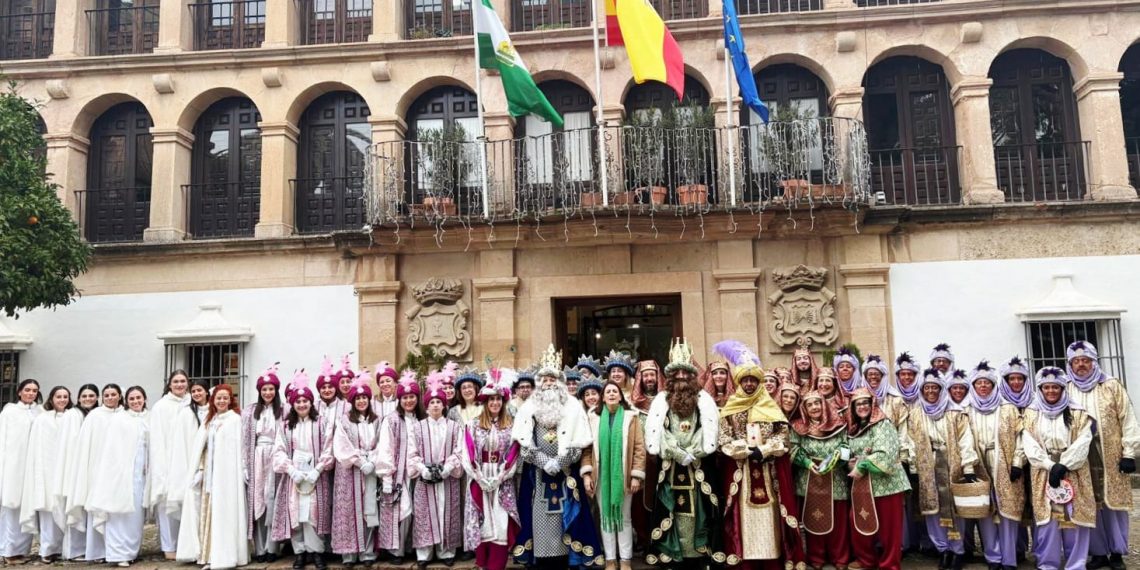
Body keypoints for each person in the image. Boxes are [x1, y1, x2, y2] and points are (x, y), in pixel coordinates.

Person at [713, 340, 802, 570]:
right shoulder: (731, 407)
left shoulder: (770, 405)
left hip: (768, 470)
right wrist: (744, 450)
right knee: (743, 518)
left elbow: (783, 436)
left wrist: (765, 450)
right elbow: (723, 439)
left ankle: (771, 560)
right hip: (742, 472)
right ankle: (747, 561)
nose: (750, 384)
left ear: (759, 382)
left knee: (769, 517)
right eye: (745, 380)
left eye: (753, 380)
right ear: (739, 382)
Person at [512, 345, 602, 569]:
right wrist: (544, 462)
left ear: (560, 382)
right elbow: (524, 444)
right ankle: (542, 558)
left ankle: (568, 558)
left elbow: (579, 443)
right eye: (545, 379)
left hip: (566, 472)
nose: (549, 383)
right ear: (539, 382)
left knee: (569, 514)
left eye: (553, 379)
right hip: (538, 474)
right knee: (538, 515)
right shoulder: (529, 407)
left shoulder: (573, 406)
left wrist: (559, 462)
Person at [643, 338, 726, 567]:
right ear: (670, 377)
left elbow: (706, 428)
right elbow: (661, 431)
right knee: (671, 507)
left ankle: (699, 553)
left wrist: (694, 451)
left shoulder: (703, 400)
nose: (681, 377)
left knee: (701, 508)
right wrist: (678, 452)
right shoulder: (661, 400)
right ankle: (672, 553)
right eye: (676, 373)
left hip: (698, 464)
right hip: (671, 464)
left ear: (692, 376)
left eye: (685, 373)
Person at [1063, 341, 1138, 570]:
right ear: (1070, 364)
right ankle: (1097, 553)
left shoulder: (1111, 385)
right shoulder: (1065, 387)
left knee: (1113, 504)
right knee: (1088, 502)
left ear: (1094, 362)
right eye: (1076, 361)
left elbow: (1127, 418)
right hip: (1080, 455)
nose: (1081, 365)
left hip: (1110, 452)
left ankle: (1117, 552)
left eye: (1086, 361)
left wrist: (1129, 453)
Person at [1022, 366, 1096, 570]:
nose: (1051, 391)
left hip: (1073, 469)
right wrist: (1049, 465)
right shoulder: (1031, 413)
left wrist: (1064, 464)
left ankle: (1076, 564)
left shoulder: (1078, 412)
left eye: (1055, 387)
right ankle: (1048, 563)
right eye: (1046, 387)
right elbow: (1029, 442)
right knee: (1047, 520)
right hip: (1043, 470)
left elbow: (1084, 440)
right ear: (1040, 389)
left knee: (1074, 518)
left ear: (1063, 389)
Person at [905, 368, 980, 570]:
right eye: (927, 387)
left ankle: (957, 550)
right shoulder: (916, 414)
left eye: (934, 387)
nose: (930, 391)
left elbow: (965, 440)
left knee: (954, 509)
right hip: (927, 467)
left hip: (951, 465)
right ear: (922, 390)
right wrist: (913, 465)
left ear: (941, 389)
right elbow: (910, 440)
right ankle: (943, 549)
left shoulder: (955, 412)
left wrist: (968, 467)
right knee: (932, 509)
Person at [72, 385, 150, 567]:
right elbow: (111, 449)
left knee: (135, 516)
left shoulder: (148, 418)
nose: (135, 401)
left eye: (138, 398)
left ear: (144, 399)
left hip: (140, 475)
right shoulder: (120, 419)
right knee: (118, 515)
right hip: (120, 475)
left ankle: (131, 551)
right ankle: (118, 553)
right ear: (126, 400)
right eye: (132, 399)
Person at [176, 384, 249, 570]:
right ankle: (208, 555)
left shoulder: (235, 420)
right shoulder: (209, 421)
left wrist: (243, 468)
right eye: (218, 398)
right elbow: (202, 448)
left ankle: (225, 555)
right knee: (209, 513)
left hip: (228, 477)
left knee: (226, 512)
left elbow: (241, 448)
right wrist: (200, 470)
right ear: (213, 400)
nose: (222, 401)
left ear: (230, 400)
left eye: (225, 398)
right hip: (210, 474)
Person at [273, 370, 335, 570]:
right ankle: (300, 552)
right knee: (297, 514)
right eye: (298, 402)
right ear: (293, 404)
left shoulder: (322, 423)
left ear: (311, 403)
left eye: (305, 401)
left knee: (313, 514)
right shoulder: (286, 426)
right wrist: (291, 470)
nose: (301, 405)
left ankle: (316, 552)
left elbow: (329, 448)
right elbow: (279, 450)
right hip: (295, 478)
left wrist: (318, 469)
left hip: (316, 476)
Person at [966, 360, 1024, 570]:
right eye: (979, 383)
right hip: (979, 464)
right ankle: (993, 557)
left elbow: (1020, 437)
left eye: (987, 383)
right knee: (985, 510)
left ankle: (1009, 558)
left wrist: (1018, 461)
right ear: (973, 386)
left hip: (1004, 464)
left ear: (993, 385)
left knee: (1007, 510)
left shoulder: (1008, 408)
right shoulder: (967, 410)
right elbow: (963, 439)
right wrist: (968, 466)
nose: (983, 386)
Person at [581, 381, 646, 570]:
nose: (611, 394)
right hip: (600, 476)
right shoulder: (593, 418)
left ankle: (625, 560)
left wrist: (636, 476)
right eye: (608, 391)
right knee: (605, 517)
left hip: (624, 476)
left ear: (620, 396)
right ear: (602, 397)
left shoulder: (630, 418)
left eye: (614, 391)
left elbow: (639, 449)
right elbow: (586, 449)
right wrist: (587, 475)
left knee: (624, 518)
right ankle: (610, 559)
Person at [845, 388, 910, 570]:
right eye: (858, 404)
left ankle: (889, 564)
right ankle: (866, 559)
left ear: (872, 404)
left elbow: (886, 453)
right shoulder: (854, 428)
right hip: (862, 485)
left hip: (887, 484)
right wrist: (848, 463)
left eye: (865, 403)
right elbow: (848, 451)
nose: (862, 407)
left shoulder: (883, 424)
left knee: (889, 528)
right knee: (858, 520)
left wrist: (861, 465)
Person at [460, 375, 520, 570]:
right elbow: (467, 452)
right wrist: (479, 477)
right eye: (491, 399)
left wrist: (501, 476)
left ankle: (496, 564)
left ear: (503, 402)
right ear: (485, 402)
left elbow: (514, 453)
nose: (495, 403)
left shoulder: (511, 426)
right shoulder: (473, 424)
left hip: (502, 479)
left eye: (498, 399)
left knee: (500, 522)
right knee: (482, 520)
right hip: (480, 476)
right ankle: (482, 563)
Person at [790, 390, 850, 570]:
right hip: (809, 476)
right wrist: (807, 462)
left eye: (817, 403)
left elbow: (846, 445)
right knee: (812, 516)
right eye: (810, 404)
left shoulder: (839, 424)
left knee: (838, 520)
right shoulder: (798, 427)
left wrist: (835, 459)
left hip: (835, 476)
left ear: (823, 404)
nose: (814, 407)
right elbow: (793, 448)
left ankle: (840, 557)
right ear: (804, 409)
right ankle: (816, 556)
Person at [409, 372, 463, 569]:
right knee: (424, 514)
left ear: (444, 405)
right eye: (431, 402)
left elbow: (459, 450)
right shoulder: (417, 427)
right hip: (425, 479)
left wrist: (449, 467)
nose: (435, 405)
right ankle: (424, 554)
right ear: (426, 406)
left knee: (447, 512)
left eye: (438, 402)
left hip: (447, 478)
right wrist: (421, 468)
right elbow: (412, 452)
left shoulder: (454, 427)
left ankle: (446, 551)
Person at [331, 372, 383, 566]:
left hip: (370, 470)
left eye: (364, 398)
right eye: (357, 398)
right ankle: (349, 554)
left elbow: (383, 443)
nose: (361, 401)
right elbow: (341, 445)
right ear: (352, 401)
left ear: (369, 400)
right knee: (348, 511)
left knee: (369, 510)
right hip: (350, 472)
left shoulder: (377, 420)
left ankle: (367, 553)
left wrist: (373, 460)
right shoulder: (344, 420)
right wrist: (360, 462)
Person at [376, 370, 426, 564]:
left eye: (412, 396)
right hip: (400, 473)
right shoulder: (392, 420)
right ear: (399, 399)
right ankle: (396, 551)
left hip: (420, 472)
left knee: (420, 510)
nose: (408, 400)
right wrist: (387, 476)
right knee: (403, 511)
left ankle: (415, 547)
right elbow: (385, 448)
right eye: (404, 397)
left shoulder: (422, 419)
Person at [148, 370, 194, 560]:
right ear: (169, 384)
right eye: (176, 381)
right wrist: (161, 464)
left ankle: (187, 544)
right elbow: (157, 438)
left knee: (187, 503)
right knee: (167, 503)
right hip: (167, 459)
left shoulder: (192, 402)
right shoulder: (161, 407)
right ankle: (169, 546)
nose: (179, 384)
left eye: (183, 381)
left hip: (188, 458)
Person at [19, 385, 68, 563]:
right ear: (51, 399)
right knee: (49, 511)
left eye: (65, 396)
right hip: (47, 469)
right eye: (58, 396)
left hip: (66, 469)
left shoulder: (72, 417)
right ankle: (47, 549)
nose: (62, 400)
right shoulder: (43, 419)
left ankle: (64, 548)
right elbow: (37, 446)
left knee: (64, 510)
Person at [244, 364, 285, 562]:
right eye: (264, 389)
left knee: (273, 500)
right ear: (259, 391)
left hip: (276, 457)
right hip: (257, 457)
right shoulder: (250, 411)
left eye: (271, 389)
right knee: (258, 500)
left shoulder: (284, 411)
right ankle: (260, 548)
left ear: (276, 391)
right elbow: (245, 439)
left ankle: (273, 548)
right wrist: (245, 464)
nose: (268, 392)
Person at [0, 379, 41, 563]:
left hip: (31, 465)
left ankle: (21, 550)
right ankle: (8, 550)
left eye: (34, 391)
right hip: (13, 465)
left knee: (28, 506)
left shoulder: (39, 412)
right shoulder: (9, 412)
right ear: (19, 392)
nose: (31, 393)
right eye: (27, 390)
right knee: (12, 507)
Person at [56, 384, 97, 561]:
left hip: (92, 468)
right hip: (75, 468)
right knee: (76, 507)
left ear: (97, 397)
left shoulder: (97, 414)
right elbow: (69, 444)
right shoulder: (72, 415)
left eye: (91, 395)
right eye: (84, 396)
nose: (88, 399)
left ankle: (92, 548)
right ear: (79, 398)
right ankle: (75, 550)